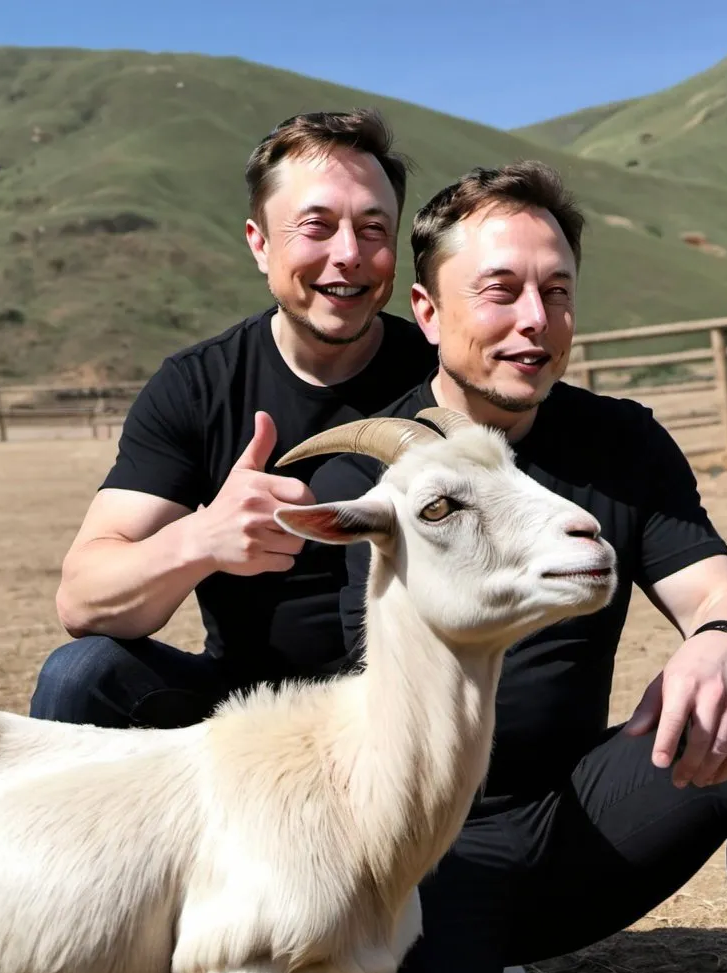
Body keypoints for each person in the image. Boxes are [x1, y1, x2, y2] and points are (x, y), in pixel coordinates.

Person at [306, 160, 727, 973]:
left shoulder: (621, 444)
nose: (535, 320)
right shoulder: (375, 472)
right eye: (501, 290)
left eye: (557, 291)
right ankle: (472, 968)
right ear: (426, 310)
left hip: (575, 829)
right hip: (418, 862)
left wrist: (721, 643)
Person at [29, 108, 437, 727]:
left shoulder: (442, 379)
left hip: (407, 714)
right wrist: (203, 539)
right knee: (81, 676)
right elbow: (83, 599)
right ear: (260, 243)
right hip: (244, 718)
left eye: (373, 228)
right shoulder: (198, 386)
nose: (349, 254)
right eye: (316, 226)